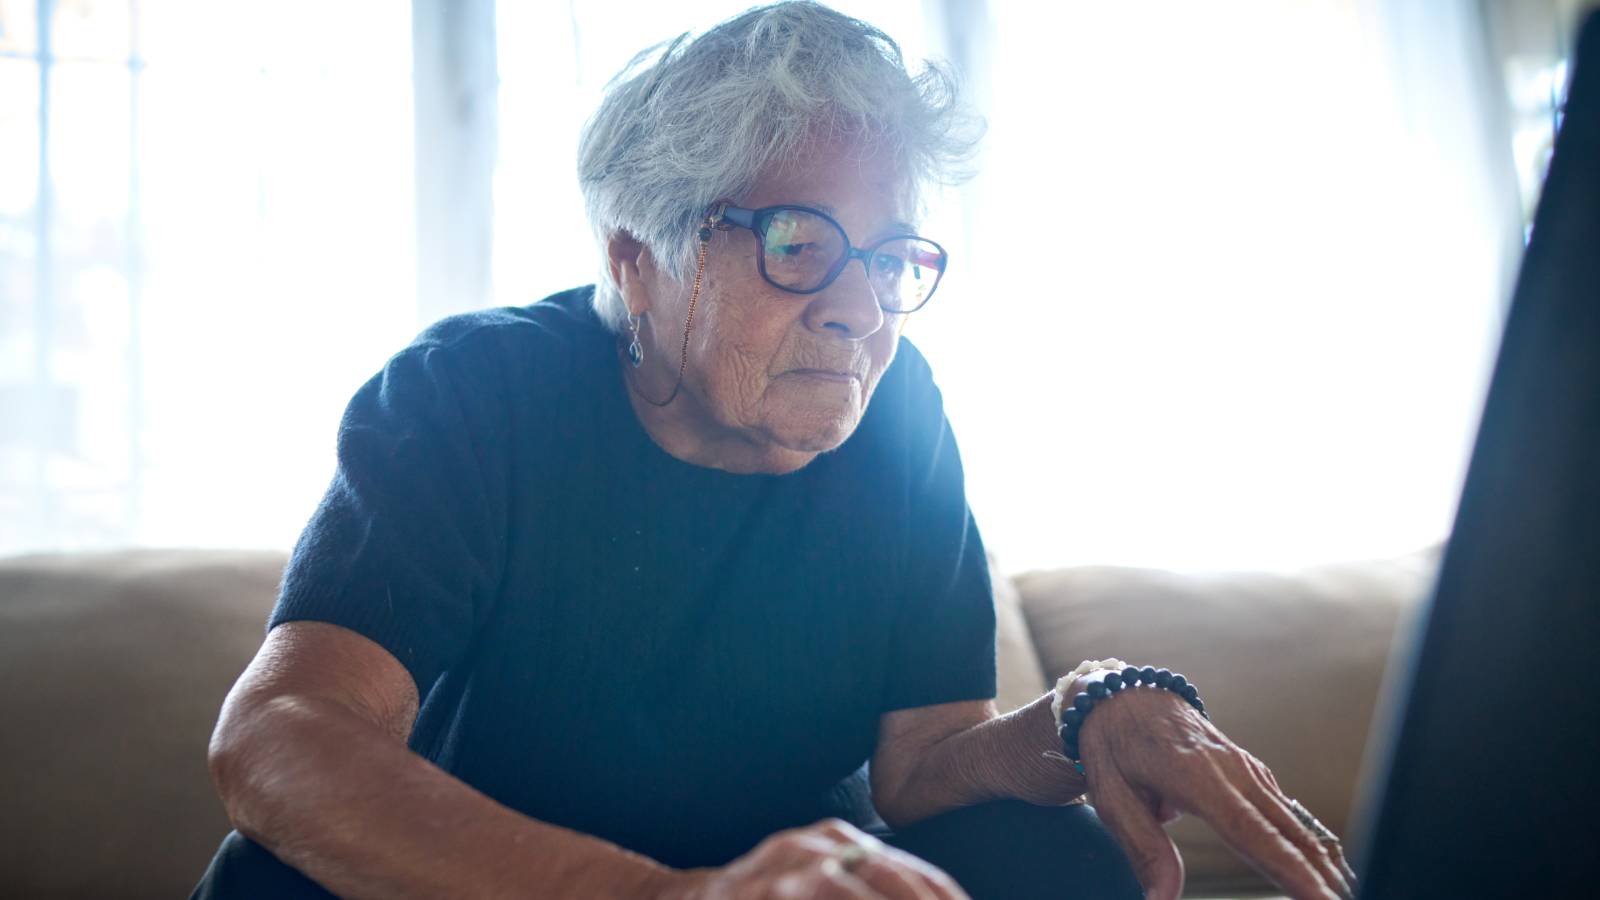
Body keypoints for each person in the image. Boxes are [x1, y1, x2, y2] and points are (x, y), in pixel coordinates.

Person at [193, 4, 1356, 899]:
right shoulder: (472, 393)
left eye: (894, 255)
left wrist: (1090, 706)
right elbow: (278, 737)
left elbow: (923, 765)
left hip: (790, 876)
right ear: (637, 259)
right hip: (510, 878)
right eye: (801, 241)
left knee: (1053, 854)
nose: (863, 309)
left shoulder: (899, 408)